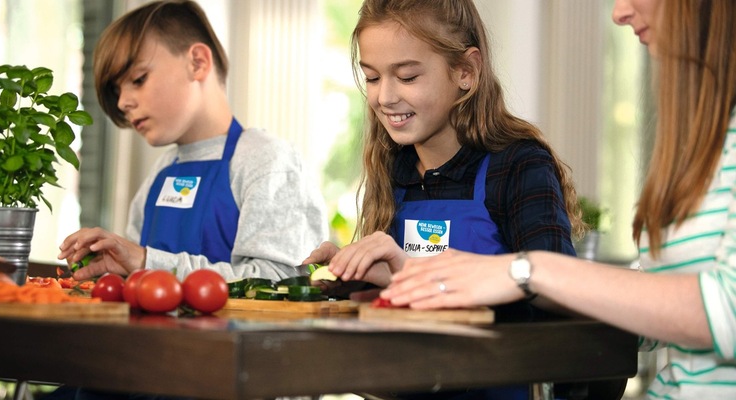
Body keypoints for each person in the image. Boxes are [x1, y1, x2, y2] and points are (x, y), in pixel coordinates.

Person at [382, 0, 736, 398]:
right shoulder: (712, 138)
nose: (619, 12)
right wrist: (407, 275)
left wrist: (525, 271)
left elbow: (728, 310)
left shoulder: (519, 163)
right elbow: (655, 317)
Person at [304, 0, 581, 307]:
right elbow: (400, 297)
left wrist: (410, 269)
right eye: (372, 78)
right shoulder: (396, 168)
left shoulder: (518, 165)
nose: (385, 97)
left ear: (466, 71)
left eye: (407, 77)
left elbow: (561, 290)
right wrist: (360, 273)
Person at [57, 0, 328, 283]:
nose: (123, 102)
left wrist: (147, 262)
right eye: (117, 90)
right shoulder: (159, 174)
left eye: (138, 79)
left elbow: (282, 283)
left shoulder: (267, 161)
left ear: (197, 62)